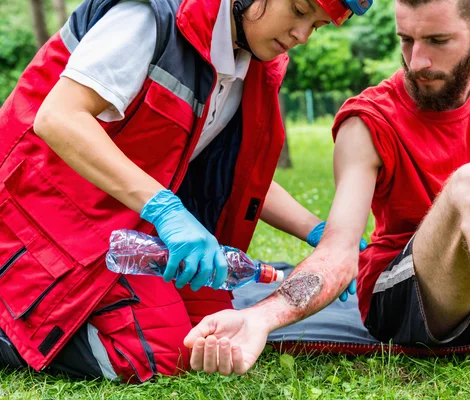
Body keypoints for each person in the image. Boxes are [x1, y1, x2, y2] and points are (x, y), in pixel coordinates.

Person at [184, 0, 470, 398]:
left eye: (437, 41)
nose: (418, 60)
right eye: (406, 40)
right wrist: (259, 318)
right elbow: (338, 254)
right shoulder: (368, 121)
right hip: (420, 301)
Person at [0, 0, 371, 383]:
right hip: (41, 216)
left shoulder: (250, 61)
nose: (302, 35)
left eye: (319, 26)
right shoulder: (149, 17)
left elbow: (238, 176)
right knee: (160, 353)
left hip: (126, 227)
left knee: (212, 329)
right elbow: (58, 117)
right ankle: (11, 325)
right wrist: (166, 211)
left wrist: (320, 234)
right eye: (298, 9)